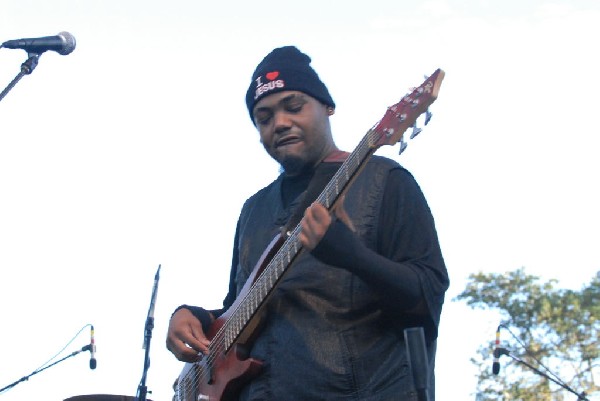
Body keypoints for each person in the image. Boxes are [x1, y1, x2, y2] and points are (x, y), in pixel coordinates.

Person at [166, 45, 449, 401]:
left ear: (327, 107)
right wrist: (195, 318)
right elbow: (238, 308)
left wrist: (351, 255)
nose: (280, 123)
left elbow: (428, 294)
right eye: (264, 118)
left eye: (294, 106)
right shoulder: (254, 209)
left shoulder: (386, 181)